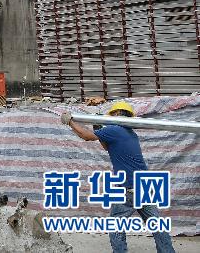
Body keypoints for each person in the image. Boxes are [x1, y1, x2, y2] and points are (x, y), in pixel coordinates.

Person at [62, 101, 175, 253]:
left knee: (115, 226)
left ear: (116, 115)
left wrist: (70, 122)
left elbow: (86, 136)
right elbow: (109, 148)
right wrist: (98, 127)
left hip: (127, 188)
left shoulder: (115, 130)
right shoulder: (130, 134)